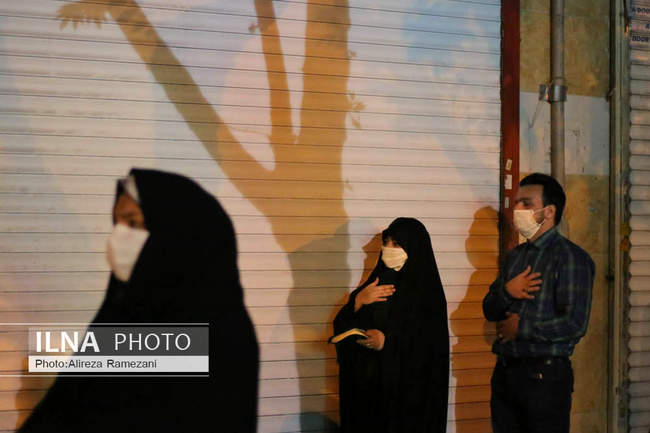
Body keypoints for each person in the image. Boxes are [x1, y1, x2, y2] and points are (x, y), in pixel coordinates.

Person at [19, 168, 259, 433]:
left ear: (178, 235)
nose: (118, 237)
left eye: (132, 223)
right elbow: (68, 403)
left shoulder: (221, 339)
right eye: (117, 223)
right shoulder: (125, 313)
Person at [483, 173, 595, 433]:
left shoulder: (570, 257)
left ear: (549, 211)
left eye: (526, 203)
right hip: (506, 373)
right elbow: (490, 308)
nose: (517, 209)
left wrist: (522, 328)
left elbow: (574, 323)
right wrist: (508, 291)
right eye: (516, 203)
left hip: (544, 378)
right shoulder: (515, 257)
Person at [333, 217, 449, 433]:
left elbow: (429, 347)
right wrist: (358, 302)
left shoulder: (427, 293)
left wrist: (387, 341)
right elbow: (340, 325)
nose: (388, 249)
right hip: (370, 393)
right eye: (386, 242)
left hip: (407, 398)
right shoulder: (376, 283)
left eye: (396, 244)